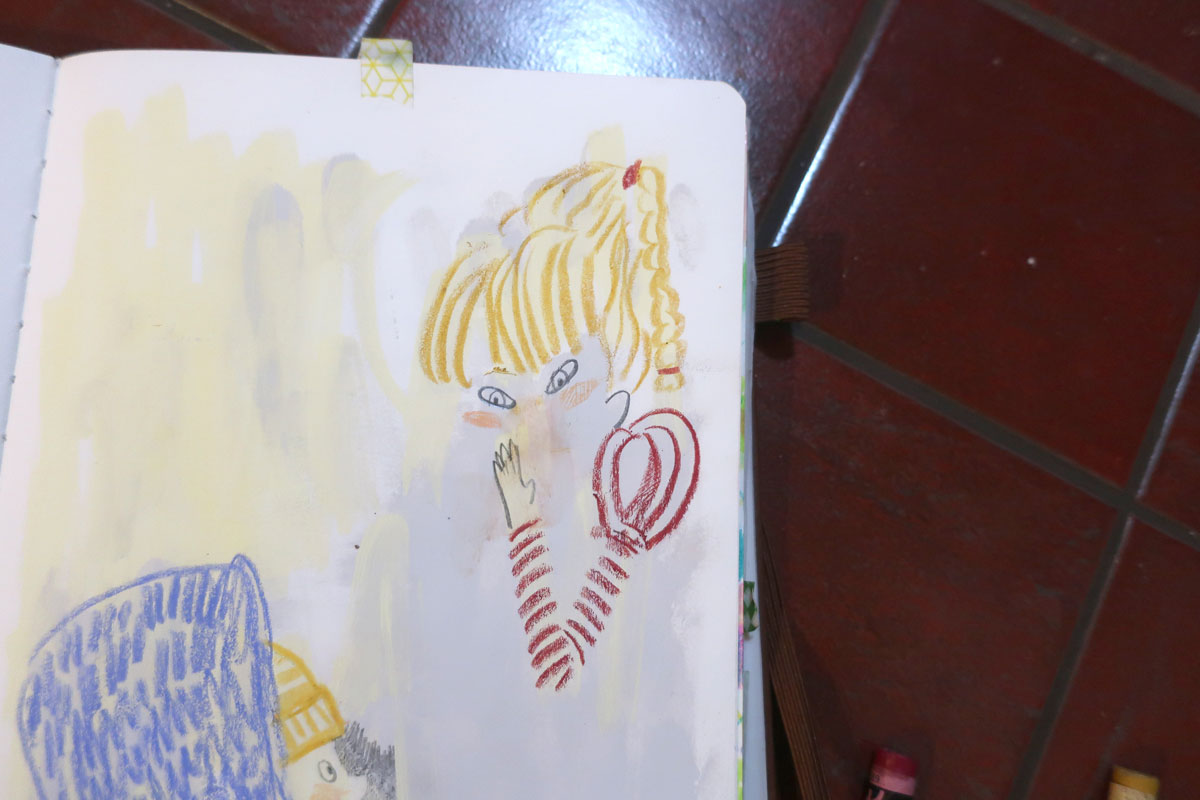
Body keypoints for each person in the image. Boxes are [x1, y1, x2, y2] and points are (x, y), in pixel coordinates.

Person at [418, 156, 699, 691]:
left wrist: (524, 522)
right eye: (498, 399)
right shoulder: (474, 524)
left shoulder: (624, 502)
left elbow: (557, 670)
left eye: (562, 381)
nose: (531, 423)